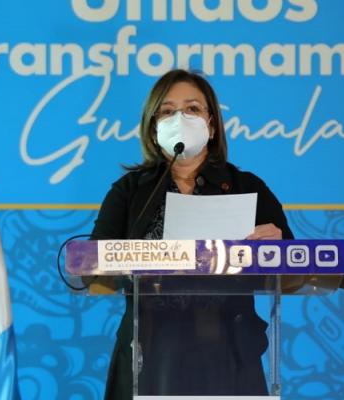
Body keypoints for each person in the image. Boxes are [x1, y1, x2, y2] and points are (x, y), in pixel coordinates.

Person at [90, 69, 293, 399]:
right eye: (168, 111)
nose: (180, 118)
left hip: (227, 349)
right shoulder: (130, 191)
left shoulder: (247, 188)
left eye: (193, 109)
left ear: (211, 125)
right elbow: (93, 267)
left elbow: (293, 266)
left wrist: (278, 244)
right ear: (154, 127)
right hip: (151, 351)